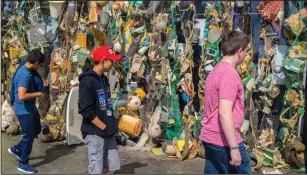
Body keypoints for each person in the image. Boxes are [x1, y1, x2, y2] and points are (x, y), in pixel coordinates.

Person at [199, 31, 252, 174]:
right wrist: (234, 148)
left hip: (210, 136)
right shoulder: (229, 74)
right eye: (246, 50)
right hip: (223, 140)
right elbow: (224, 112)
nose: (246, 54)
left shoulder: (216, 70)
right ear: (240, 51)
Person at [78, 46, 122, 174]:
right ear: (103, 62)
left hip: (107, 131)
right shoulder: (87, 81)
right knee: (96, 168)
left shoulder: (103, 79)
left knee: (107, 166)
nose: (113, 63)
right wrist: (103, 126)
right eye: (111, 60)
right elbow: (85, 109)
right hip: (95, 132)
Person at [8, 49, 45, 174]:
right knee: (29, 136)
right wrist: (38, 93)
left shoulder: (27, 69)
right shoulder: (25, 74)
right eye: (40, 65)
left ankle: (17, 149)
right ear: (36, 63)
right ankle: (23, 163)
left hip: (30, 109)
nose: (39, 67)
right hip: (24, 111)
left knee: (37, 130)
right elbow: (21, 96)